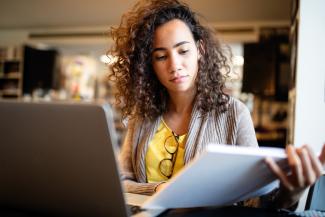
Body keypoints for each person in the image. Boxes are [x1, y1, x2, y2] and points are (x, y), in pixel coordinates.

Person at [109, 0, 325, 209]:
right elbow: (121, 181)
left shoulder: (234, 113)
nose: (174, 65)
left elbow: (256, 199)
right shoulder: (142, 116)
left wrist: (292, 192)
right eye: (161, 56)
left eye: (183, 51)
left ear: (200, 50)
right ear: (149, 65)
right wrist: (158, 189)